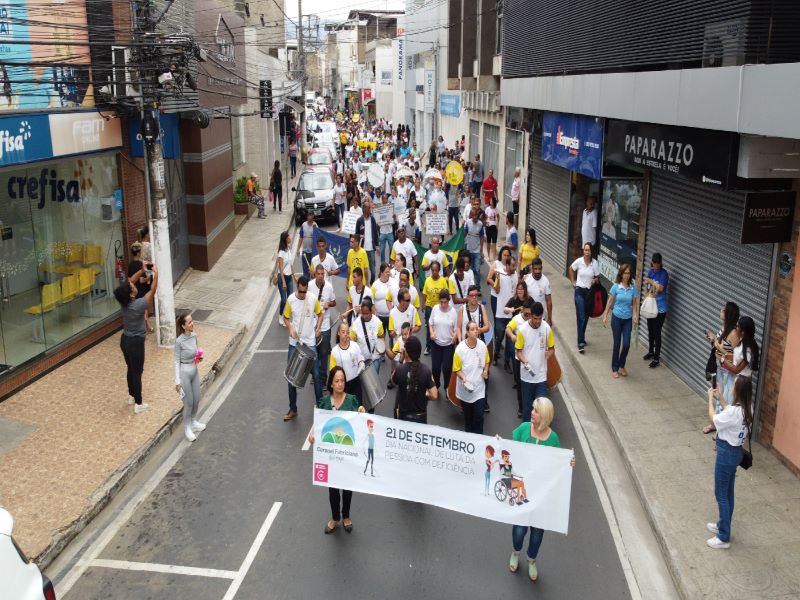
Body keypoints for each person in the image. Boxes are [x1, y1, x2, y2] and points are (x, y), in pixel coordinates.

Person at [507, 397, 576, 581]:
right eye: (532, 409)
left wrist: (567, 463)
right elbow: (510, 450)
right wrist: (500, 445)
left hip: (541, 495)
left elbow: (556, 466)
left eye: (536, 411)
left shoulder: (553, 439)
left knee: (537, 533)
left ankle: (531, 559)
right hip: (521, 489)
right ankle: (516, 551)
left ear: (544, 416)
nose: (532, 412)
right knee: (520, 530)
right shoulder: (523, 430)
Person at [309, 366, 366, 534]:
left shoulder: (352, 400)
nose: (341, 384)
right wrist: (313, 435)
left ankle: (346, 516)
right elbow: (318, 425)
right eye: (337, 381)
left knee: (347, 486)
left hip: (347, 454)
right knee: (333, 488)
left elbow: (359, 424)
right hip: (330, 456)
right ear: (331, 384)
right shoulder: (324, 403)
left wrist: (362, 412)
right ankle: (335, 517)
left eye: (342, 380)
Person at [706, 375, 752, 549]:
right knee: (728, 492)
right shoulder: (747, 409)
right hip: (736, 454)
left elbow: (714, 420)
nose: (732, 386)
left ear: (737, 390)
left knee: (721, 495)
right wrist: (721, 398)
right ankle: (722, 524)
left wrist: (710, 399)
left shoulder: (734, 412)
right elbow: (729, 412)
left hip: (726, 455)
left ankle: (723, 536)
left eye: (734, 384)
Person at [114, 264, 159, 414]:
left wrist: (142, 269)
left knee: (130, 369)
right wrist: (156, 273)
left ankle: (132, 396)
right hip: (136, 343)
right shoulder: (138, 305)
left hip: (125, 340)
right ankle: (139, 404)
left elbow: (128, 282)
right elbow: (152, 290)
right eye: (133, 287)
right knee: (137, 372)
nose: (134, 285)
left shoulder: (124, 302)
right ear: (132, 294)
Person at [283, 276, 323, 421]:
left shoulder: (312, 299)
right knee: (290, 377)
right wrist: (290, 329)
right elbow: (285, 317)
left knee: (317, 376)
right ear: (297, 287)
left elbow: (320, 314)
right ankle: (293, 408)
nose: (302, 294)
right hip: (295, 344)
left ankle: (321, 408)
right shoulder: (290, 300)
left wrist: (318, 328)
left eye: (304, 292)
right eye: (300, 291)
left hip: (310, 343)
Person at [703, 302, 740, 434]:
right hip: (720, 367)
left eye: (724, 310)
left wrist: (719, 347)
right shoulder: (725, 328)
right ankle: (714, 424)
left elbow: (737, 355)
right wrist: (713, 339)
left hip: (728, 371)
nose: (721, 310)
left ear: (728, 314)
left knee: (725, 399)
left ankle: (721, 431)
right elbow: (720, 345)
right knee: (718, 395)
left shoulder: (734, 333)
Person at [515, 302, 555, 418]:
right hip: (527, 378)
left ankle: (539, 435)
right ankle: (526, 435)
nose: (538, 321)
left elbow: (552, 348)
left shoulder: (546, 328)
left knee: (541, 411)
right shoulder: (522, 330)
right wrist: (525, 361)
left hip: (541, 377)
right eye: (535, 318)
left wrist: (549, 354)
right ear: (531, 316)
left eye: (540, 318)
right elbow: (518, 351)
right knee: (527, 411)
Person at [602, 264, 639, 378]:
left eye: (628, 273)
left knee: (627, 344)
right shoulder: (616, 287)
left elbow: (634, 303)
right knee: (617, 344)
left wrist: (635, 315)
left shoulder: (633, 289)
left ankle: (622, 365)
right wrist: (605, 315)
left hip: (627, 320)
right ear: (621, 274)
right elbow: (609, 301)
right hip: (616, 319)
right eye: (624, 273)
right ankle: (615, 368)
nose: (626, 275)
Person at [454, 320, 491, 433]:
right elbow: (456, 369)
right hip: (465, 390)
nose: (476, 331)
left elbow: (487, 361)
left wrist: (485, 370)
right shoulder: (460, 349)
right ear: (467, 332)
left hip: (479, 388)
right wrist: (464, 378)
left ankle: (479, 438)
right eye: (472, 329)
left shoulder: (482, 346)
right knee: (468, 419)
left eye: (476, 329)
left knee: (479, 416)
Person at [174, 313, 206, 442]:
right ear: (183, 326)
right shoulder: (179, 341)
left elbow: (196, 350)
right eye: (189, 322)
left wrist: (199, 356)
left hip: (194, 370)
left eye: (192, 321)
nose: (192, 323)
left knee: (197, 398)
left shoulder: (194, 336)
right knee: (188, 403)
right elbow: (176, 361)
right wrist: (177, 380)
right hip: (184, 373)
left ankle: (193, 421)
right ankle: (187, 428)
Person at [392, 336, 438, 423]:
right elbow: (434, 395)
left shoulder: (400, 369)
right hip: (420, 418)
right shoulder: (426, 370)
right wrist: (426, 395)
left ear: (406, 352)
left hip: (403, 417)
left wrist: (401, 361)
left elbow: (393, 381)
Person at [568, 243, 600, 353]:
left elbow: (597, 278)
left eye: (588, 250)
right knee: (581, 316)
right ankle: (580, 342)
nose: (587, 252)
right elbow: (571, 269)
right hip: (579, 292)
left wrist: (595, 280)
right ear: (583, 251)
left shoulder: (595, 263)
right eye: (585, 250)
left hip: (589, 293)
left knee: (585, 317)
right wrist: (573, 281)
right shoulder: (579, 261)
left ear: (591, 252)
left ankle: (582, 337)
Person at [720, 316, 760, 401]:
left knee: (731, 404)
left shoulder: (748, 349)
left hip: (742, 382)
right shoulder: (742, 341)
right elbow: (738, 357)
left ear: (743, 332)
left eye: (738, 326)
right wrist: (728, 355)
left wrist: (724, 360)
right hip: (736, 378)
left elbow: (736, 369)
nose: (735, 328)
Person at [506, 299, 534, 418]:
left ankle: (532, 407)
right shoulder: (517, 319)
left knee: (532, 384)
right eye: (526, 314)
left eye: (530, 314)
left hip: (531, 359)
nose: (528, 317)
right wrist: (512, 335)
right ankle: (522, 408)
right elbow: (508, 328)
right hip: (518, 359)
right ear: (522, 310)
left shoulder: (535, 320)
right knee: (520, 384)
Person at [492, 255, 518, 371]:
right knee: (499, 337)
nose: (514, 268)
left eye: (514, 265)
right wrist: (497, 278)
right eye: (512, 266)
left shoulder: (515, 275)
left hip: (511, 314)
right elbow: (496, 290)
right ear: (507, 265)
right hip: (500, 314)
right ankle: (495, 355)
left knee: (509, 341)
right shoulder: (500, 273)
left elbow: (516, 292)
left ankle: (507, 363)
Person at [422, 261, 454, 354]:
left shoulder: (443, 280)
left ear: (439, 270)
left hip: (440, 308)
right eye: (432, 270)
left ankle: (438, 343)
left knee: (438, 326)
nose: (434, 272)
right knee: (429, 326)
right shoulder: (428, 280)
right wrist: (423, 304)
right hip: (430, 307)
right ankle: (428, 346)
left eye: (436, 270)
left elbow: (447, 294)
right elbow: (424, 294)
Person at [642, 252, 669, 368]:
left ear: (660, 263)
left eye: (658, 264)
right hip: (651, 306)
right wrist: (647, 296)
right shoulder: (650, 271)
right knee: (650, 330)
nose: (656, 266)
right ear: (652, 262)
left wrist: (651, 281)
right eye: (654, 263)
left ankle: (657, 358)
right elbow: (647, 288)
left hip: (661, 309)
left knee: (657, 332)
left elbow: (661, 288)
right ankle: (651, 351)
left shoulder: (664, 274)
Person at [428, 289, 459, 389]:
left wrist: (455, 337)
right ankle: (436, 385)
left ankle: (447, 387)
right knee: (435, 369)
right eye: (441, 302)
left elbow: (456, 328)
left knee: (446, 369)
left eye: (445, 302)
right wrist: (432, 333)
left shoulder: (453, 312)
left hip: (448, 346)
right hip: (436, 344)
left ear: (448, 301)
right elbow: (430, 323)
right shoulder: (435, 309)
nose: (443, 304)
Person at [311, 264, 336, 382]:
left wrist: (328, 304)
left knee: (324, 352)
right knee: (314, 351)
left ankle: (323, 377)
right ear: (315, 274)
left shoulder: (329, 287)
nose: (321, 276)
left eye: (322, 274)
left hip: (325, 324)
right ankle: (315, 373)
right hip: (312, 324)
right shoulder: (310, 286)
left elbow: (334, 302)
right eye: (318, 274)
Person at [329, 322, 365, 402]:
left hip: (356, 382)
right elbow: (332, 371)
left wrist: (361, 363)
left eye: (347, 332)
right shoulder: (334, 351)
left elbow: (360, 358)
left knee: (357, 406)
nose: (346, 334)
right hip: (343, 385)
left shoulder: (354, 345)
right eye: (343, 332)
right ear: (338, 333)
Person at [350, 297, 385, 374]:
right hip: (361, 360)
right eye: (363, 313)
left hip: (375, 358)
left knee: (374, 382)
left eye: (367, 313)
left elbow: (381, 337)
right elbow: (352, 342)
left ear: (371, 311)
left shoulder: (378, 323)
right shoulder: (355, 325)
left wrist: (381, 349)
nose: (365, 316)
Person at [523, 258, 553, 327]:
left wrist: (549, 318)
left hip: (541, 319)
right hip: (528, 319)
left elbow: (549, 301)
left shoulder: (545, 281)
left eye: (539, 269)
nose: (537, 271)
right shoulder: (526, 280)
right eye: (535, 269)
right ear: (532, 268)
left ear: (542, 268)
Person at [355, 200, 379, 278]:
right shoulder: (359, 220)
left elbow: (375, 233)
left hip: (371, 248)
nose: (370, 209)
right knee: (362, 269)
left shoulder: (372, 219)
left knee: (373, 270)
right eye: (369, 208)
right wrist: (359, 236)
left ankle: (372, 283)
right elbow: (356, 234)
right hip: (362, 248)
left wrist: (377, 245)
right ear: (365, 209)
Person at [464, 208, 486, 285]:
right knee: (470, 269)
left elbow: (482, 237)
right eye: (473, 215)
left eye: (476, 215)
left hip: (477, 250)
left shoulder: (480, 224)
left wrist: (481, 250)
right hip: (469, 249)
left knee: (477, 269)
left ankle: (478, 287)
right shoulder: (468, 223)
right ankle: (470, 285)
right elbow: (464, 234)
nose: (475, 217)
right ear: (471, 215)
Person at [276, 231, 294, 325]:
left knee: (290, 298)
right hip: (282, 277)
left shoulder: (289, 249)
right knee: (283, 299)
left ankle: (286, 317)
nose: (291, 237)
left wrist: (294, 276)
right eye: (289, 236)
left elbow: (290, 265)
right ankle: (280, 315)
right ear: (286, 238)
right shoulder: (281, 252)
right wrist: (283, 281)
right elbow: (280, 268)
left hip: (289, 277)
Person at [371, 263, 394, 333]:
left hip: (391, 316)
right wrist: (374, 316)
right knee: (380, 338)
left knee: (393, 337)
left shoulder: (394, 283)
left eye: (389, 271)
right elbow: (372, 302)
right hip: (379, 317)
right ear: (381, 273)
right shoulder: (375, 285)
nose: (388, 273)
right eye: (386, 272)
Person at [298, 212, 318, 278]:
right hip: (305, 253)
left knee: (313, 272)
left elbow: (317, 237)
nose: (309, 217)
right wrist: (298, 249)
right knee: (305, 273)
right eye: (308, 215)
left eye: (311, 215)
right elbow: (301, 237)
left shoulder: (315, 225)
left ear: (313, 216)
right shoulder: (303, 225)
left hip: (313, 253)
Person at [376, 193, 395, 264]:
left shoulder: (391, 207)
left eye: (386, 198)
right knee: (382, 250)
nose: (385, 200)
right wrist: (378, 223)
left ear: (387, 199)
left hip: (390, 231)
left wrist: (393, 217)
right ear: (382, 199)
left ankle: (391, 263)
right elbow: (377, 220)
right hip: (382, 232)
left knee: (391, 248)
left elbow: (394, 221)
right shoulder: (379, 208)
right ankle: (383, 264)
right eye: (383, 198)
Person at [484, 196, 499, 262]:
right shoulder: (487, 209)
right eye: (490, 201)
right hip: (488, 226)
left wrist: (497, 224)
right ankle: (488, 256)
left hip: (494, 227)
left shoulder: (496, 209)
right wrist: (485, 222)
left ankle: (494, 257)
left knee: (494, 242)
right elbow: (485, 217)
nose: (490, 202)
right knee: (488, 242)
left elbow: (498, 217)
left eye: (491, 201)